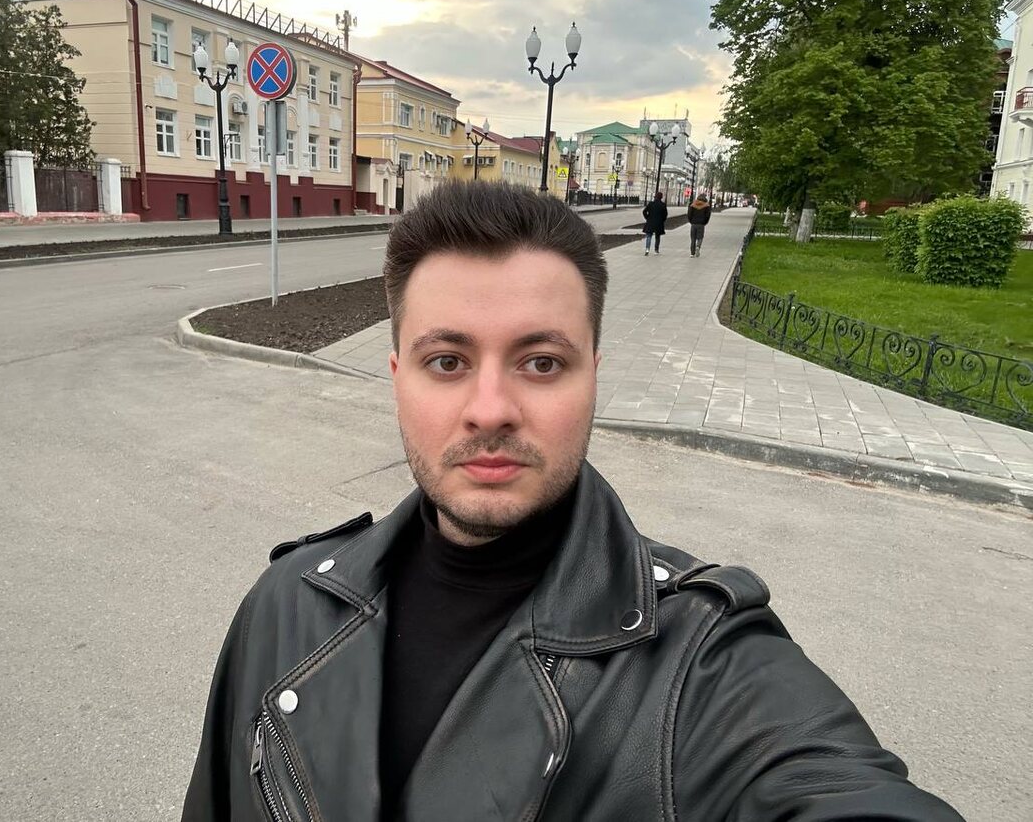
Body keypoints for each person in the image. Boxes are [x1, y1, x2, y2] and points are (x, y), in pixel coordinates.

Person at [181, 180, 963, 822]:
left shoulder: (698, 661)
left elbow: (825, 782)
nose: (491, 409)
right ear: (396, 379)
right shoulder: (287, 606)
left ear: (594, 375)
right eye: (447, 361)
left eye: (542, 363)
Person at [641, 190, 668, 254]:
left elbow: (644, 211)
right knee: (657, 236)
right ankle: (656, 250)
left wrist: (647, 218)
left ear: (655, 197)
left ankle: (647, 249)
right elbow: (665, 214)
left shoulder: (651, 204)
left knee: (649, 236)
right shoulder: (663, 205)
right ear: (661, 197)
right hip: (659, 223)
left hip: (650, 222)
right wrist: (662, 220)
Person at [687, 192, 712, 257]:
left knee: (693, 238)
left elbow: (689, 214)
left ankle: (692, 253)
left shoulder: (693, 204)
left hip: (693, 223)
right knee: (700, 237)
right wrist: (705, 222)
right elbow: (708, 215)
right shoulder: (706, 205)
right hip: (701, 224)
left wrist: (690, 221)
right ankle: (698, 246)